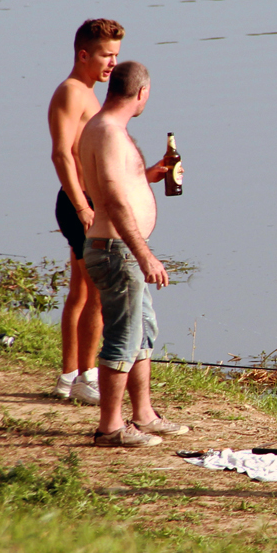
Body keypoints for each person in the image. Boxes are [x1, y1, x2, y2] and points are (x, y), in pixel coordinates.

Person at [79, 59, 190, 447]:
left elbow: (118, 184)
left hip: (118, 247)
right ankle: (110, 427)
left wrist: (148, 177)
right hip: (117, 249)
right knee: (123, 338)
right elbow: (110, 197)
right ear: (141, 93)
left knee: (142, 332)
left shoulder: (103, 127)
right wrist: (144, 254)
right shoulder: (109, 131)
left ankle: (143, 415)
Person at [46, 18, 122, 404]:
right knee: (94, 295)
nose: (112, 64)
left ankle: (68, 376)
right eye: (107, 56)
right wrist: (80, 204)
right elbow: (61, 153)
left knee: (80, 292)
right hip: (78, 202)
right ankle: (85, 377)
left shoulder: (90, 93)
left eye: (116, 56)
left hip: (86, 200)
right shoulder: (71, 93)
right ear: (83, 54)